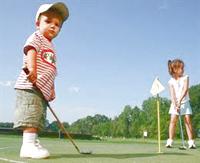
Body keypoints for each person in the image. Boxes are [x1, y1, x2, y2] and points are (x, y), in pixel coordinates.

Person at [13, 2, 69, 159]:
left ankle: (32, 143)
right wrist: (32, 69)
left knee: (37, 117)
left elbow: (52, 70)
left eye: (57, 24)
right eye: (48, 21)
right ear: (37, 23)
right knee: (31, 115)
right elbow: (30, 50)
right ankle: (28, 146)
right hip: (30, 86)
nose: (53, 26)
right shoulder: (36, 37)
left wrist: (51, 89)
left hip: (42, 91)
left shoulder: (52, 47)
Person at [165, 59, 196, 149]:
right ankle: (170, 141)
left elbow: (185, 89)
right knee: (173, 120)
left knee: (187, 120)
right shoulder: (170, 81)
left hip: (185, 102)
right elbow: (172, 94)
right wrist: (175, 104)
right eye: (180, 68)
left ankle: (191, 142)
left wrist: (180, 101)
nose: (182, 70)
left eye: (183, 68)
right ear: (174, 69)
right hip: (175, 103)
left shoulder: (185, 77)